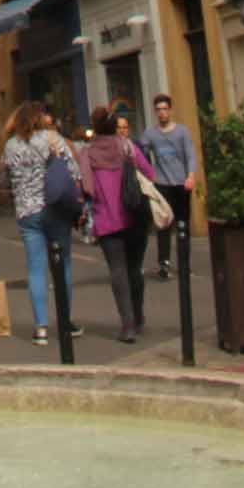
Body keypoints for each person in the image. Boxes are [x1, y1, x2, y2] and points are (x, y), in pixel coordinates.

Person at [0, 101, 80, 347]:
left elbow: (4, 181)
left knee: (36, 269)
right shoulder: (52, 140)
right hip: (53, 207)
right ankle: (65, 320)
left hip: (26, 213)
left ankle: (41, 327)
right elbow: (74, 172)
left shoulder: (10, 146)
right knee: (62, 264)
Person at [79, 105, 158, 343]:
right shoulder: (126, 146)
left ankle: (127, 324)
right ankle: (139, 315)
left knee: (118, 270)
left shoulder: (87, 153)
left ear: (95, 127)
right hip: (134, 214)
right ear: (115, 126)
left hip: (106, 218)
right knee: (135, 268)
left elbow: (87, 187)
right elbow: (150, 173)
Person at [140, 93, 198, 279]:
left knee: (183, 225)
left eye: (165, 109)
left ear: (170, 110)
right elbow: (141, 155)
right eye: (158, 110)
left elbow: (190, 155)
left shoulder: (182, 132)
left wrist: (190, 176)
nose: (162, 113)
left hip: (181, 184)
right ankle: (164, 264)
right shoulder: (150, 134)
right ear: (155, 112)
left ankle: (184, 264)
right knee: (163, 225)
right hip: (162, 185)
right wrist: (148, 176)